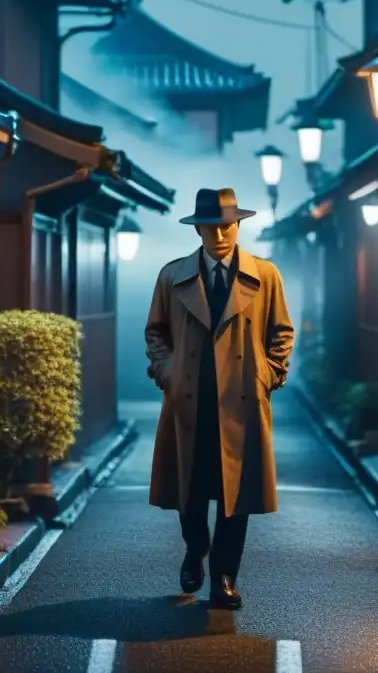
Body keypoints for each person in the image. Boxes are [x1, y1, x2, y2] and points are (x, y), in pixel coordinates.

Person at [144, 187, 294, 609]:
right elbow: (156, 331)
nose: (220, 233)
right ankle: (196, 548)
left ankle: (224, 577)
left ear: (239, 224)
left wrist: (269, 373)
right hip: (189, 399)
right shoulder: (172, 276)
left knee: (236, 497)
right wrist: (166, 370)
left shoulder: (265, 275)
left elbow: (281, 331)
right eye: (211, 226)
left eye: (227, 224)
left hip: (242, 400)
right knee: (189, 490)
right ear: (199, 229)